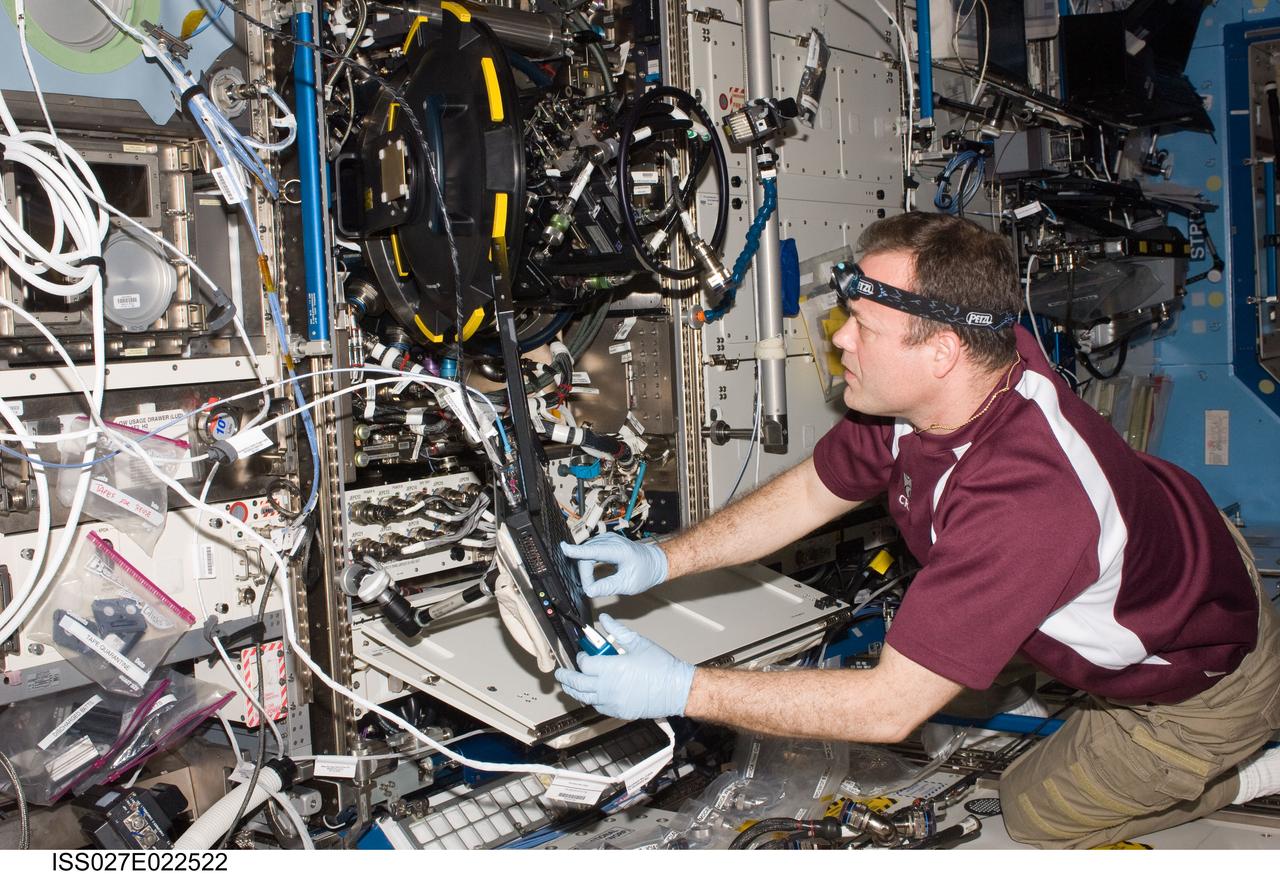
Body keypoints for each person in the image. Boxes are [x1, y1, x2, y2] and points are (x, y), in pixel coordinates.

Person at [554, 212, 1280, 848]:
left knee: (1033, 814)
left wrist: (682, 689)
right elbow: (813, 490)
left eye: (862, 328)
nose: (838, 341)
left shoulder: (1027, 505)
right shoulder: (950, 386)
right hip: (1167, 556)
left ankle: (1245, 771)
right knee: (947, 666)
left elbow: (888, 708)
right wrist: (659, 557)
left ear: (941, 353)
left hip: (1193, 675)